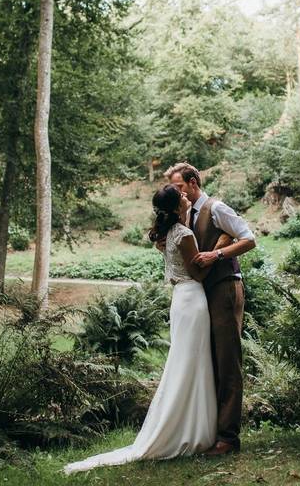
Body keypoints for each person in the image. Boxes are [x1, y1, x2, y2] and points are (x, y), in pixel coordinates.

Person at [63, 184, 217, 474]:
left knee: (186, 362)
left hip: (180, 300)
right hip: (193, 298)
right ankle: (191, 430)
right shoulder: (183, 234)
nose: (186, 197)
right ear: (175, 207)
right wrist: (217, 251)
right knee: (191, 363)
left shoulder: (168, 234)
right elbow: (198, 271)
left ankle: (191, 425)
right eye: (182, 197)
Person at [163, 162, 256, 456]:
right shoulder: (185, 215)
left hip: (225, 287)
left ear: (192, 183)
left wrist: (216, 252)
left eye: (179, 187)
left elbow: (249, 238)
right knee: (209, 361)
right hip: (202, 293)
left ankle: (228, 438)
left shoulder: (216, 208)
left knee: (227, 361)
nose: (177, 193)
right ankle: (210, 431)